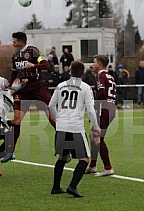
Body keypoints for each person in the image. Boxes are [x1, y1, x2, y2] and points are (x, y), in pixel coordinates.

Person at [1, 31, 55, 163]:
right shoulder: (15, 55)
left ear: (20, 42)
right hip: (24, 90)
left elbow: (47, 66)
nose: (12, 44)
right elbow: (14, 72)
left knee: (53, 119)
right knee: (17, 120)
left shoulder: (33, 51)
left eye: (14, 41)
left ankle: (66, 149)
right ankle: (9, 152)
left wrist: (34, 65)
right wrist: (9, 83)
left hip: (38, 88)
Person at [49, 61, 100, 198]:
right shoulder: (85, 87)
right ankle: (72, 186)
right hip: (76, 127)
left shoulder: (60, 85)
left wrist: (58, 118)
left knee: (63, 157)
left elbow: (51, 105)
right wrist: (96, 127)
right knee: (84, 159)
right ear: (82, 72)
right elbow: (90, 110)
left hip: (61, 127)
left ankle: (55, 187)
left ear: (70, 71)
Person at [85, 55, 116, 176]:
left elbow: (102, 92)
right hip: (110, 107)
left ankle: (108, 167)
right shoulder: (110, 76)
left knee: (98, 137)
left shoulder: (100, 75)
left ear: (100, 64)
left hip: (104, 108)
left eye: (95, 62)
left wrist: (94, 109)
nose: (93, 65)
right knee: (93, 135)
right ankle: (92, 165)